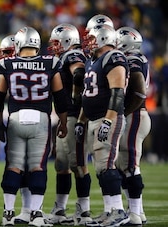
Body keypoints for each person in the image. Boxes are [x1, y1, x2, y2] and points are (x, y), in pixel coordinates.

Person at [0, 26, 68, 227]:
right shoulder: (50, 62)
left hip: (16, 117)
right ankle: (35, 214)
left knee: (14, 165)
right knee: (37, 166)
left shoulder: (6, 63)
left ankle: (8, 213)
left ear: (17, 44)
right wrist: (63, 121)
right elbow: (60, 97)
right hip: (41, 119)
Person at [75, 24, 130, 227]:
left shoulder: (113, 57)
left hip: (108, 118)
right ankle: (109, 211)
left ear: (103, 38)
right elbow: (87, 95)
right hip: (94, 118)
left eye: (91, 38)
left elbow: (117, 93)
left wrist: (108, 119)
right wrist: (81, 119)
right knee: (100, 167)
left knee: (106, 164)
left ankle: (118, 210)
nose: (88, 43)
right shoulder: (93, 60)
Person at [45, 23, 92, 226]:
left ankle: (84, 210)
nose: (54, 47)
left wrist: (74, 96)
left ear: (66, 41)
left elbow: (79, 73)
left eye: (56, 43)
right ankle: (60, 209)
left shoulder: (72, 55)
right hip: (67, 117)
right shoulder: (65, 57)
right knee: (61, 164)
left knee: (77, 163)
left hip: (75, 116)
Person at [116, 26, 150, 226]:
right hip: (136, 114)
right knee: (123, 164)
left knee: (129, 165)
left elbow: (138, 91)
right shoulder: (136, 58)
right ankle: (138, 211)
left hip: (136, 114)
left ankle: (135, 214)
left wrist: (124, 111)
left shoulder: (133, 60)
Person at [0, 34, 32, 224]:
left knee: (18, 166)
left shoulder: (8, 68)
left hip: (18, 120)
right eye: (5, 53)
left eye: (10, 52)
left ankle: (15, 211)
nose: (6, 56)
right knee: (27, 166)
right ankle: (29, 210)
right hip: (35, 121)